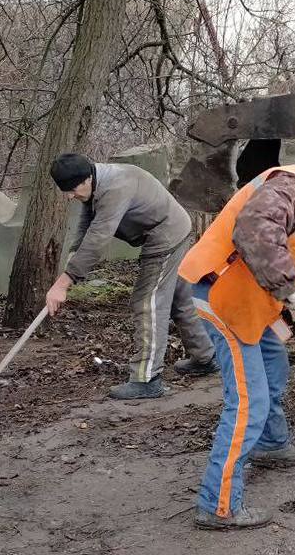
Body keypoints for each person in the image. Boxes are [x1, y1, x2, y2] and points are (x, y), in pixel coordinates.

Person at [178, 144, 295, 530]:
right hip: (222, 296)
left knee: (275, 361)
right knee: (248, 402)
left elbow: (290, 261)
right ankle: (218, 505)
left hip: (253, 301)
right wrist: (286, 286)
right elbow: (254, 229)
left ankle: (271, 445)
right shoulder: (292, 187)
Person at [45, 153, 216, 400]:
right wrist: (73, 255)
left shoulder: (115, 187)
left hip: (166, 236)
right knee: (178, 299)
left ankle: (147, 379)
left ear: (86, 179)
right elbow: (88, 221)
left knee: (147, 301)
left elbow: (99, 237)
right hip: (171, 229)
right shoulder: (95, 181)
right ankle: (205, 357)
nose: (70, 196)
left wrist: (64, 282)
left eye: (72, 190)